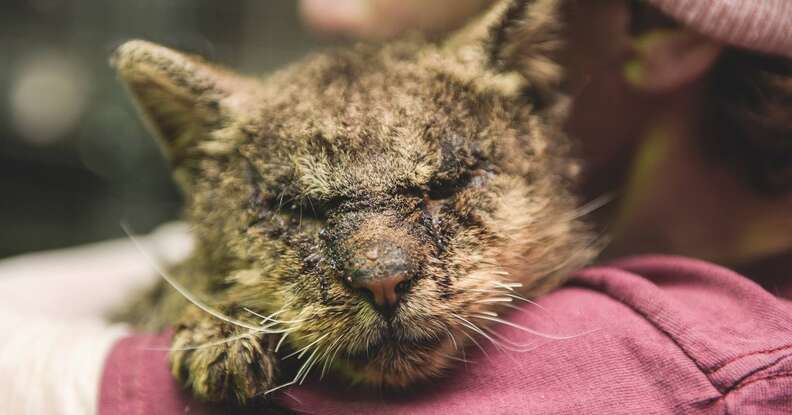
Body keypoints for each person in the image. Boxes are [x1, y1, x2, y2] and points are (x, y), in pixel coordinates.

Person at [1, 0, 790, 414]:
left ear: (653, 24)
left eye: (446, 189)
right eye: (299, 211)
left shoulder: (700, 367)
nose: (380, 268)